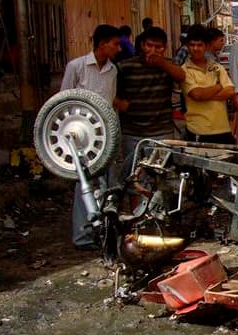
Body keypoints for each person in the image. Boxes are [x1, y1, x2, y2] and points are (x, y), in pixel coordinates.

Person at [60, 24, 121, 249]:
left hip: (105, 136)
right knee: (84, 184)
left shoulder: (112, 70)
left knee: (106, 185)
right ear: (102, 44)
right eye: (115, 44)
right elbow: (62, 102)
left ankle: (102, 232)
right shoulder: (76, 67)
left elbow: (110, 104)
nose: (119, 48)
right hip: (81, 136)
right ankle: (81, 236)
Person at [115, 27, 185, 178]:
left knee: (161, 178)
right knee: (134, 178)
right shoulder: (126, 66)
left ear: (164, 48)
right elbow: (113, 94)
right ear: (142, 45)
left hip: (162, 131)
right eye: (149, 45)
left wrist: (162, 63)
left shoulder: (168, 65)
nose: (152, 50)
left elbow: (181, 76)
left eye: (158, 47)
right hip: (132, 132)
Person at [180, 26, 235, 144]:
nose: (196, 48)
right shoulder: (184, 70)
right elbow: (197, 94)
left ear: (205, 46)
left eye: (199, 45)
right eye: (192, 45)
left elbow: (230, 91)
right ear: (187, 47)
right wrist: (218, 86)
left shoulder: (216, 67)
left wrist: (205, 94)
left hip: (222, 129)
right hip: (199, 131)